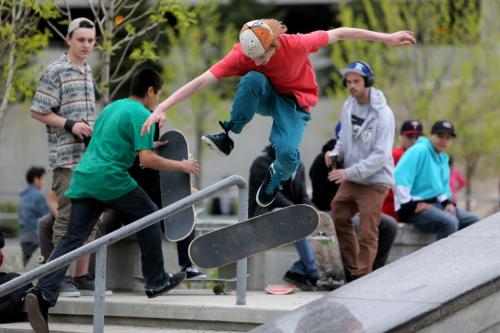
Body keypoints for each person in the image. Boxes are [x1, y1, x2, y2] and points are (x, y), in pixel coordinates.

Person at [142, 19, 415, 208]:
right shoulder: (242, 55)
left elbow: (340, 32)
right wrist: (163, 106)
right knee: (253, 79)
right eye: (253, 57)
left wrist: (386, 38)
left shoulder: (296, 44)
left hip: (295, 103)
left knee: (285, 151)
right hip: (267, 95)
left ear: (274, 44)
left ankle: (278, 174)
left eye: (262, 56)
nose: (258, 61)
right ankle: (229, 134)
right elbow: (202, 80)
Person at [25, 68, 200, 333]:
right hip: (110, 178)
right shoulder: (144, 114)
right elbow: (146, 160)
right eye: (159, 94)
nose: (158, 100)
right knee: (150, 216)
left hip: (84, 176)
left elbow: (110, 140)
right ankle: (156, 281)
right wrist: (181, 165)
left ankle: (43, 295)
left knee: (73, 239)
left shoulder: (111, 108)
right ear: (151, 91)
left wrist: (148, 146)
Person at [30, 17, 98, 297]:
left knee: (91, 215)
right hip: (66, 158)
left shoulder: (88, 71)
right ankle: (59, 278)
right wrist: (71, 125)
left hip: (90, 158)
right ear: (69, 39)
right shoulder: (55, 70)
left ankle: (82, 277)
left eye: (91, 41)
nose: (86, 45)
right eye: (80, 39)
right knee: (67, 217)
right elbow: (37, 110)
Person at [325, 61, 395, 281]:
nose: (352, 86)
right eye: (348, 82)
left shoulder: (383, 114)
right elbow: (344, 140)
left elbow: (380, 156)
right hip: (353, 177)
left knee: (367, 231)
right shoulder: (349, 106)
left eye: (356, 81)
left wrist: (349, 172)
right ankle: (354, 270)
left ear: (368, 82)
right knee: (338, 213)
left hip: (375, 181)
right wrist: (335, 153)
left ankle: (363, 276)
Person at [310, 126, 397, 272]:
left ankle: (375, 269)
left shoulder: (361, 158)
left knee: (390, 225)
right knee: (354, 222)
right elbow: (321, 196)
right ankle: (353, 270)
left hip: (357, 206)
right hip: (330, 209)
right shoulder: (325, 160)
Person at [394, 120, 479, 240]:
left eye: (448, 137)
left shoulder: (443, 158)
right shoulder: (418, 150)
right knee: (449, 223)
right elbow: (399, 175)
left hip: (435, 205)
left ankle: (463, 257)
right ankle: (442, 258)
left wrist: (447, 203)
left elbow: (440, 188)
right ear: (431, 135)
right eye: (440, 136)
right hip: (413, 207)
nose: (444, 140)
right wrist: (409, 206)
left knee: (475, 221)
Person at [249, 145, 318, 291]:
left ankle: (298, 272)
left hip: (291, 214)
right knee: (292, 218)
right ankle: (314, 271)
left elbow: (302, 196)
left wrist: (315, 213)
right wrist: (296, 210)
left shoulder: (299, 165)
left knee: (319, 224)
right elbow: (272, 194)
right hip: (265, 213)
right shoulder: (262, 163)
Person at [381, 120, 424, 220]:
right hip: (392, 206)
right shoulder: (396, 155)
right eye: (410, 136)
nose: (414, 141)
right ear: (401, 136)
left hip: (408, 205)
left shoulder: (418, 155)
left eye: (417, 137)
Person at [18, 167, 49, 267]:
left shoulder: (23, 195)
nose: (42, 182)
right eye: (41, 179)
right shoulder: (39, 195)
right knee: (43, 266)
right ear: (36, 179)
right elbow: (46, 216)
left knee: (26, 268)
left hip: (24, 237)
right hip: (36, 237)